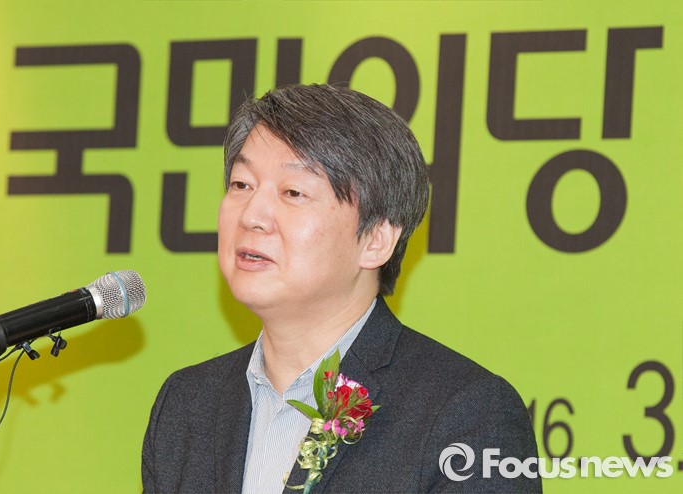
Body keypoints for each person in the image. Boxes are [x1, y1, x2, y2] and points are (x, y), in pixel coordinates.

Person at [141, 84, 541, 493]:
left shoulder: (466, 413)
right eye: (242, 184)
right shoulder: (187, 404)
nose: (252, 215)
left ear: (376, 240)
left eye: (293, 192)